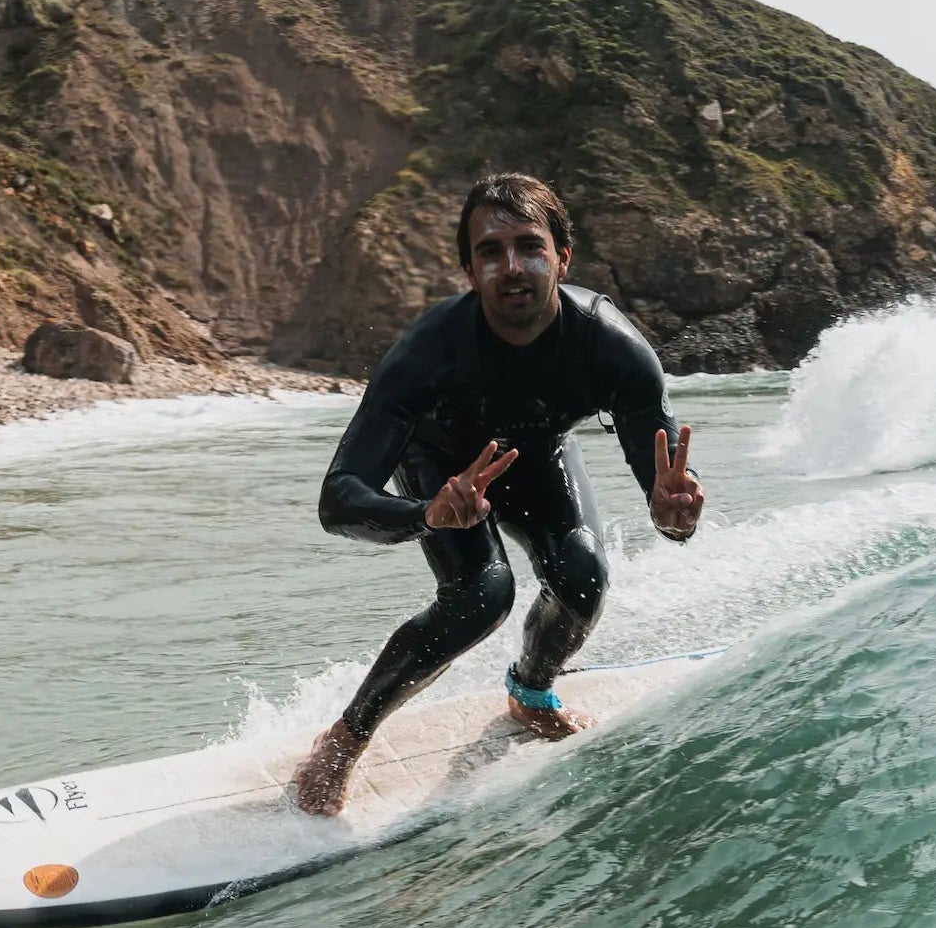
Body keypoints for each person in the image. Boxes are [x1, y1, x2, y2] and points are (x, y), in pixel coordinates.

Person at [295, 172, 704, 815]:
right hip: (441, 467)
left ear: (562, 258)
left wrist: (675, 518)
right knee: (482, 595)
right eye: (490, 251)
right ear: (469, 270)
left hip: (539, 452)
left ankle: (531, 693)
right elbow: (339, 499)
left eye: (529, 246)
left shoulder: (613, 349)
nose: (511, 266)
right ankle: (346, 738)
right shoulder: (428, 352)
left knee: (582, 575)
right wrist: (427, 513)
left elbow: (669, 503)